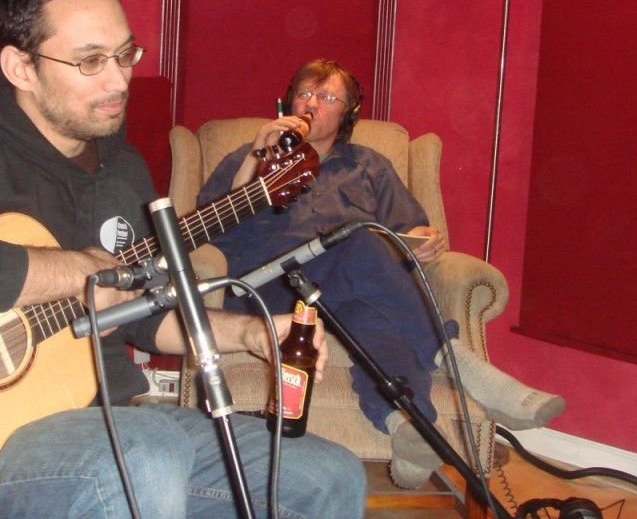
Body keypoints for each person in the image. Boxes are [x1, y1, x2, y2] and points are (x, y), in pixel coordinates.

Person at [0, 0, 365, 519]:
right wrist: (77, 272)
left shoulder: (123, 170)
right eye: (90, 61)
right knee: (144, 457)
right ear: (21, 67)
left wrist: (252, 332)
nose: (119, 80)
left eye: (125, 54)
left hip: (110, 418)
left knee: (326, 478)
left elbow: (144, 315)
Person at [198, 58, 565, 489]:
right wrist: (258, 153)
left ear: (347, 114)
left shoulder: (368, 166)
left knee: (374, 318)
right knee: (356, 240)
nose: (312, 104)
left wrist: (424, 240)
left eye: (327, 97)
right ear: (289, 101)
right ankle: (457, 361)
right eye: (305, 93)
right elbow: (208, 224)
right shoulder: (252, 156)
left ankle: (409, 426)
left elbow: (408, 231)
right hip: (270, 287)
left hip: (345, 290)